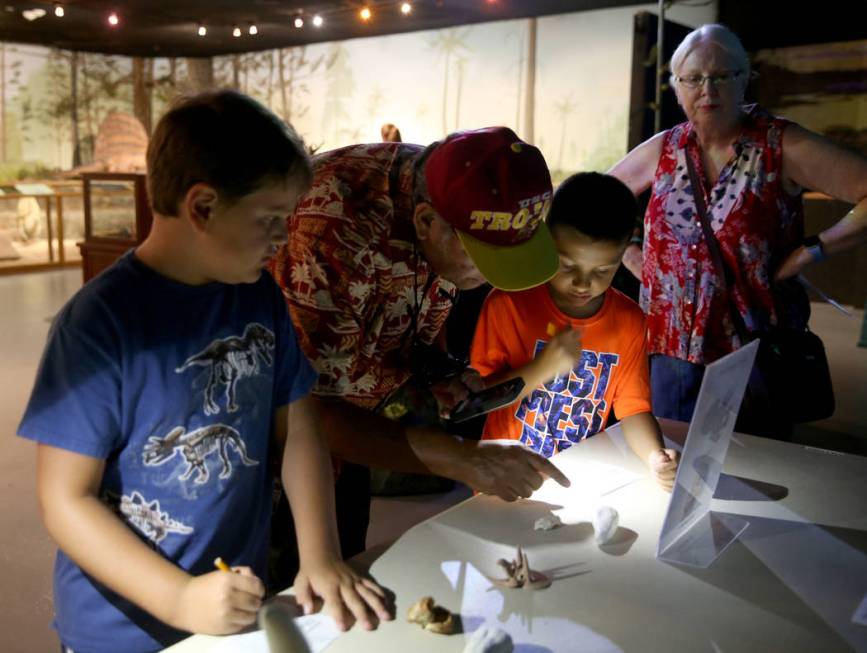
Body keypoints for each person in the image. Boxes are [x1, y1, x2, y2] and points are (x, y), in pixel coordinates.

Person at [17, 90, 390, 653]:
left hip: (230, 604)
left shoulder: (258, 295)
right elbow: (65, 499)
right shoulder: (98, 325)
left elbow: (298, 424)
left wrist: (319, 555)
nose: (283, 238)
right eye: (269, 219)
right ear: (203, 207)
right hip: (119, 631)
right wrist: (177, 599)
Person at [267, 126, 571, 565]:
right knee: (290, 596)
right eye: (482, 260)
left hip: (352, 438)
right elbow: (306, 413)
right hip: (275, 459)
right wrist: (462, 459)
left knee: (349, 570)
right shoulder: (329, 230)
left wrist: (431, 375)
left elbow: (404, 318)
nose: (486, 278)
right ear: (427, 222)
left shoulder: (447, 186)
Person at [608, 24, 867, 436]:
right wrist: (631, 251)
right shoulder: (666, 148)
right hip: (669, 350)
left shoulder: (778, 145)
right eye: (693, 79)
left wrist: (813, 250)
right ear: (677, 87)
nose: (706, 90)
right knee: (670, 468)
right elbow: (597, 201)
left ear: (745, 78)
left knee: (755, 469)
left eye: (721, 76)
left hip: (750, 352)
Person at [470, 172, 679, 490]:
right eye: (567, 266)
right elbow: (478, 401)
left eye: (602, 270)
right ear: (546, 241)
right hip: (507, 476)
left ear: (622, 255)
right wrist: (542, 368)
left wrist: (654, 456)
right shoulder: (508, 304)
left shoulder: (629, 321)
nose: (583, 283)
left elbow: (634, 408)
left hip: (583, 481)